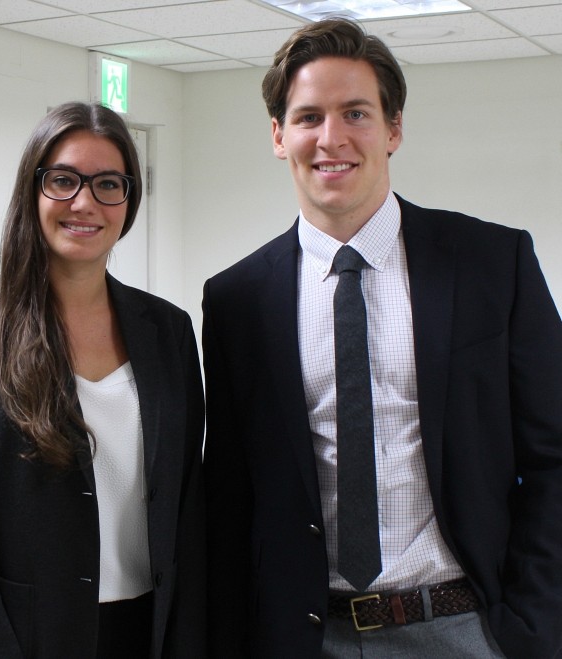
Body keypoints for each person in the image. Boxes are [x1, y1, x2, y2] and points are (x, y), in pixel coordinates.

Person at [202, 17, 562, 658]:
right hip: (308, 636)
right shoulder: (237, 300)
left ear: (393, 129)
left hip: (467, 627)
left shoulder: (491, 263)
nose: (331, 138)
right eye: (308, 117)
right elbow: (231, 495)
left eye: (356, 114)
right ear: (279, 136)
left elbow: (553, 456)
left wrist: (532, 627)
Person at [0, 102, 206, 658]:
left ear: (129, 201)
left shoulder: (168, 330)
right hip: (28, 638)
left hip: (148, 632)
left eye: (108, 184)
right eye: (64, 180)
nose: (85, 202)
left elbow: (187, 507)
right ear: (34, 190)